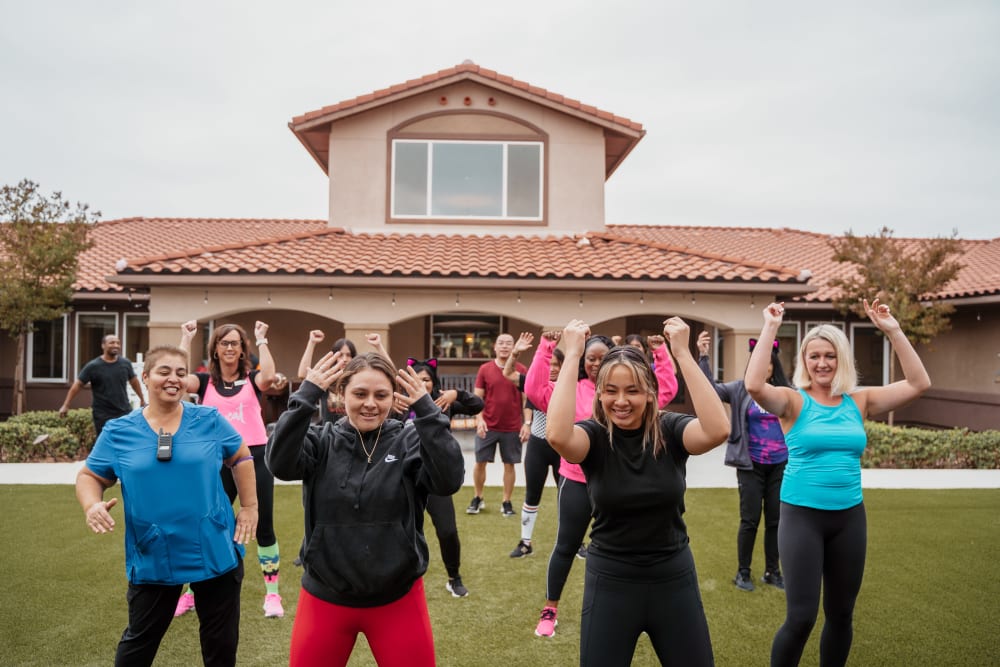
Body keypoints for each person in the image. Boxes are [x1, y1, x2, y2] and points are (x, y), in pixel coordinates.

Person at [746, 300, 931, 667]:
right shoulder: (792, 402)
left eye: (829, 355)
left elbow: (919, 383)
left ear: (840, 359)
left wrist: (892, 330)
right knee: (801, 618)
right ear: (804, 360)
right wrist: (770, 327)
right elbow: (754, 385)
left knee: (841, 614)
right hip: (802, 518)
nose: (822, 363)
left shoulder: (858, 401)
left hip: (849, 517)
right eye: (814, 356)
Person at [546, 318, 730, 666]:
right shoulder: (594, 437)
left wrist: (683, 355)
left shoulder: (670, 430)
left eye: (632, 390)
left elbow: (718, 429)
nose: (621, 401)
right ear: (599, 393)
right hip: (611, 580)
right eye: (611, 390)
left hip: (673, 577)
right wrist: (572, 356)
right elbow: (557, 436)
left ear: (650, 392)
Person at [266, 350, 465, 667]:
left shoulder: (409, 440)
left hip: (397, 599)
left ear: (393, 397)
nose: (370, 403)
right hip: (325, 597)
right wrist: (305, 396)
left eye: (381, 395)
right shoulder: (321, 440)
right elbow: (280, 464)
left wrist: (427, 411)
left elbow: (449, 480)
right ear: (341, 393)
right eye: (360, 393)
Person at [75, 345, 258, 667]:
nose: (173, 379)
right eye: (163, 372)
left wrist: (250, 506)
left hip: (214, 547)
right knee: (139, 644)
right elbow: (90, 475)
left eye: (180, 372)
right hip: (153, 554)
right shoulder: (119, 431)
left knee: (220, 647)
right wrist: (92, 505)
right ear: (145, 377)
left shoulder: (209, 420)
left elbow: (241, 456)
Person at [525, 329, 679, 638]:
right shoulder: (573, 388)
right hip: (577, 480)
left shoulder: (627, 394)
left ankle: (638, 606)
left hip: (617, 483)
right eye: (590, 358)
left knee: (625, 547)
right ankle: (550, 608)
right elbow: (535, 389)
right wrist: (548, 347)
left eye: (601, 358)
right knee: (566, 545)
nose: (595, 364)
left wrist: (662, 354)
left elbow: (665, 391)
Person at [177, 320, 283, 618]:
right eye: (224, 342)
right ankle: (191, 593)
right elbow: (180, 378)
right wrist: (186, 338)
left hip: (256, 455)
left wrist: (262, 339)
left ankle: (272, 596)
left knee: (263, 525)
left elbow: (270, 376)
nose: (229, 348)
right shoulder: (204, 382)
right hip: (216, 460)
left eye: (235, 343)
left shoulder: (251, 380)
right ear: (215, 349)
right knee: (206, 523)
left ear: (242, 350)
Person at [697, 330, 793, 592]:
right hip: (750, 465)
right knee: (750, 520)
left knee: (776, 520)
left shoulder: (786, 392)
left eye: (766, 362)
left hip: (781, 465)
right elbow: (710, 390)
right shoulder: (740, 389)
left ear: (773, 366)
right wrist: (704, 357)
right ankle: (743, 573)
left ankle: (773, 572)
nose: (761, 367)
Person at [405, 356, 483, 598]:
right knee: (402, 529)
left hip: (434, 477)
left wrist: (457, 394)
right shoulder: (399, 403)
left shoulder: (442, 404)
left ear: (433, 382)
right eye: (417, 379)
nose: (422, 383)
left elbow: (477, 405)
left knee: (447, 530)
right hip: (404, 477)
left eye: (427, 379)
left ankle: (454, 577)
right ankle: (399, 577)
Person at [502, 332, 565, 558]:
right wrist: (516, 352)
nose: (553, 368)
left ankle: (574, 543)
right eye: (550, 363)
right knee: (532, 495)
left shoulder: (572, 386)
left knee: (567, 497)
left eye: (558, 364)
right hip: (538, 446)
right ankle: (525, 543)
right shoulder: (534, 384)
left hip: (564, 449)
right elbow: (508, 373)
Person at [466, 333, 529, 517]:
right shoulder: (485, 369)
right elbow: (477, 398)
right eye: (501, 343)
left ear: (513, 347)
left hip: (512, 427)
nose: (504, 346)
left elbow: (527, 399)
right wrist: (480, 420)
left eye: (509, 343)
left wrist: (527, 423)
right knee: (480, 462)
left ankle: (506, 501)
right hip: (488, 426)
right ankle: (478, 497)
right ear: (495, 347)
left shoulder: (521, 369)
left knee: (510, 465)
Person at [59, 334, 146, 437]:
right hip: (102, 414)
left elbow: (134, 382)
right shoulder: (93, 366)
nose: (116, 345)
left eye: (118, 343)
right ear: (103, 345)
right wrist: (66, 405)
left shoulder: (125, 363)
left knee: (126, 439)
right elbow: (77, 385)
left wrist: (142, 399)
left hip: (124, 411)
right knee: (106, 442)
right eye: (112, 343)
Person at [296, 330, 357, 423]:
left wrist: (378, 346)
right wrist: (312, 342)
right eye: (340, 355)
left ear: (353, 357)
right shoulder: (327, 379)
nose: (344, 359)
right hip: (329, 434)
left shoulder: (359, 379)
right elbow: (303, 375)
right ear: (334, 357)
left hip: (353, 434)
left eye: (348, 355)